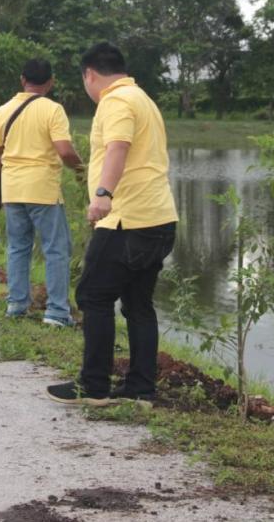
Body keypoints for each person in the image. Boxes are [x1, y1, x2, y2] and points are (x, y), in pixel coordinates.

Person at [46, 43, 177, 406]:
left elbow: (118, 146)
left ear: (90, 74)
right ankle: (140, 389)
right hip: (159, 218)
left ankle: (94, 386)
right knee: (138, 304)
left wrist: (103, 193)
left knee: (93, 295)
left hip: (127, 219)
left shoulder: (115, 100)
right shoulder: (142, 98)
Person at [0, 58, 83, 327]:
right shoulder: (53, 110)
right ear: (50, 82)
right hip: (43, 189)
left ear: (22, 80)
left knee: (18, 247)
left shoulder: (4, 110)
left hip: (12, 187)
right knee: (56, 249)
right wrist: (81, 170)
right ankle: (56, 312)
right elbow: (64, 150)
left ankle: (16, 304)